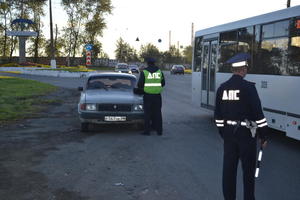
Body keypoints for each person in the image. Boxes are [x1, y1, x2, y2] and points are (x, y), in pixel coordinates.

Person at [214, 55, 268, 200]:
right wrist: (263, 136)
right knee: (248, 172)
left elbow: (218, 116)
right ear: (243, 69)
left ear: (233, 69)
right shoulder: (249, 88)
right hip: (246, 135)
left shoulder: (222, 88)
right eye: (246, 68)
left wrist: (224, 133)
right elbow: (259, 115)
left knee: (229, 170)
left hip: (229, 134)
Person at [136, 57, 165, 136]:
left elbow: (140, 84)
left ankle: (147, 131)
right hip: (157, 96)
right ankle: (159, 131)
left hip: (148, 96)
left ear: (147, 63)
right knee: (158, 113)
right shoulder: (159, 72)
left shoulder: (144, 72)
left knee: (147, 114)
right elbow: (163, 83)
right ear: (154, 63)